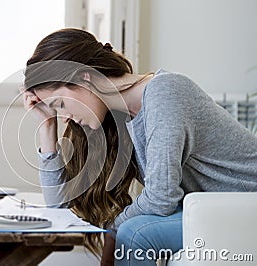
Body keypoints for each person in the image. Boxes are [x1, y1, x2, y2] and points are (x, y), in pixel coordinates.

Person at [22, 28, 257, 265]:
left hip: (246, 207)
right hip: (213, 209)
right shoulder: (120, 119)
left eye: (60, 104)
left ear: (85, 77)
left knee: (135, 233)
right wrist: (46, 127)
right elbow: (59, 209)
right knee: (131, 231)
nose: (64, 117)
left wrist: (114, 230)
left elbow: (161, 198)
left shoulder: (165, 93)